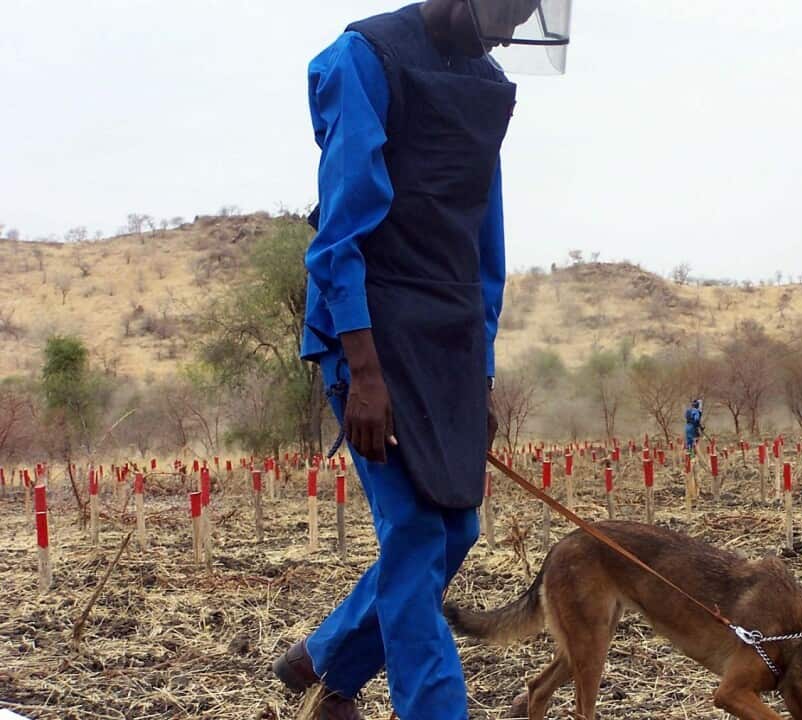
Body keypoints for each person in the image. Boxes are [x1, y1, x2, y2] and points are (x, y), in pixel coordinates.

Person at [271, 2, 570, 719]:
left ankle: (328, 661)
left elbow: (482, 243)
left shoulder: (484, 81)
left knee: (456, 529)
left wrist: (482, 374)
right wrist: (364, 374)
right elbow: (341, 229)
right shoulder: (365, 58)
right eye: (504, 9)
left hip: (448, 339)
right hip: (370, 333)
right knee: (412, 533)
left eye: (524, 14)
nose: (506, 29)